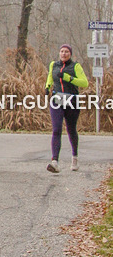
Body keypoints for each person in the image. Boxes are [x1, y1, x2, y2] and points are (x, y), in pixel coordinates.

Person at [45, 44, 88, 172]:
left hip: (72, 100)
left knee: (71, 129)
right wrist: (47, 86)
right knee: (56, 129)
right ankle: (55, 162)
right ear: (59, 53)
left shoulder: (75, 66)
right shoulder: (54, 65)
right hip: (57, 99)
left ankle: (74, 158)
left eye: (66, 52)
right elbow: (50, 77)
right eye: (62, 51)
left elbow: (84, 82)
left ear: (70, 54)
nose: (64, 54)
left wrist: (69, 78)